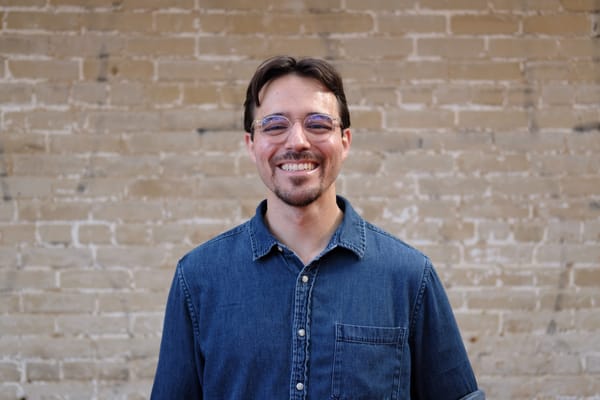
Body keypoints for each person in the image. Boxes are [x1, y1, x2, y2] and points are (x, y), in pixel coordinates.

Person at [151, 55, 485, 400]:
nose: (297, 141)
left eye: (318, 124)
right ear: (251, 144)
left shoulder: (408, 277)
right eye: (275, 125)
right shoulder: (199, 278)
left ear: (345, 141)